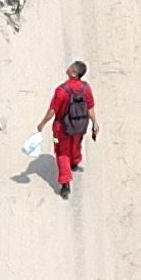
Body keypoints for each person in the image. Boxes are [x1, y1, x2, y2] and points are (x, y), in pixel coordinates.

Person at [41, 60, 97, 196]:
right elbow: (90, 107)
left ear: (73, 73)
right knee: (76, 144)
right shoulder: (86, 88)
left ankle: (65, 183)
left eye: (71, 66)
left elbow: (52, 111)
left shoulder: (61, 91)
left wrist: (42, 123)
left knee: (61, 152)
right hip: (80, 125)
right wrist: (94, 123)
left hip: (61, 128)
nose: (68, 67)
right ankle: (75, 162)